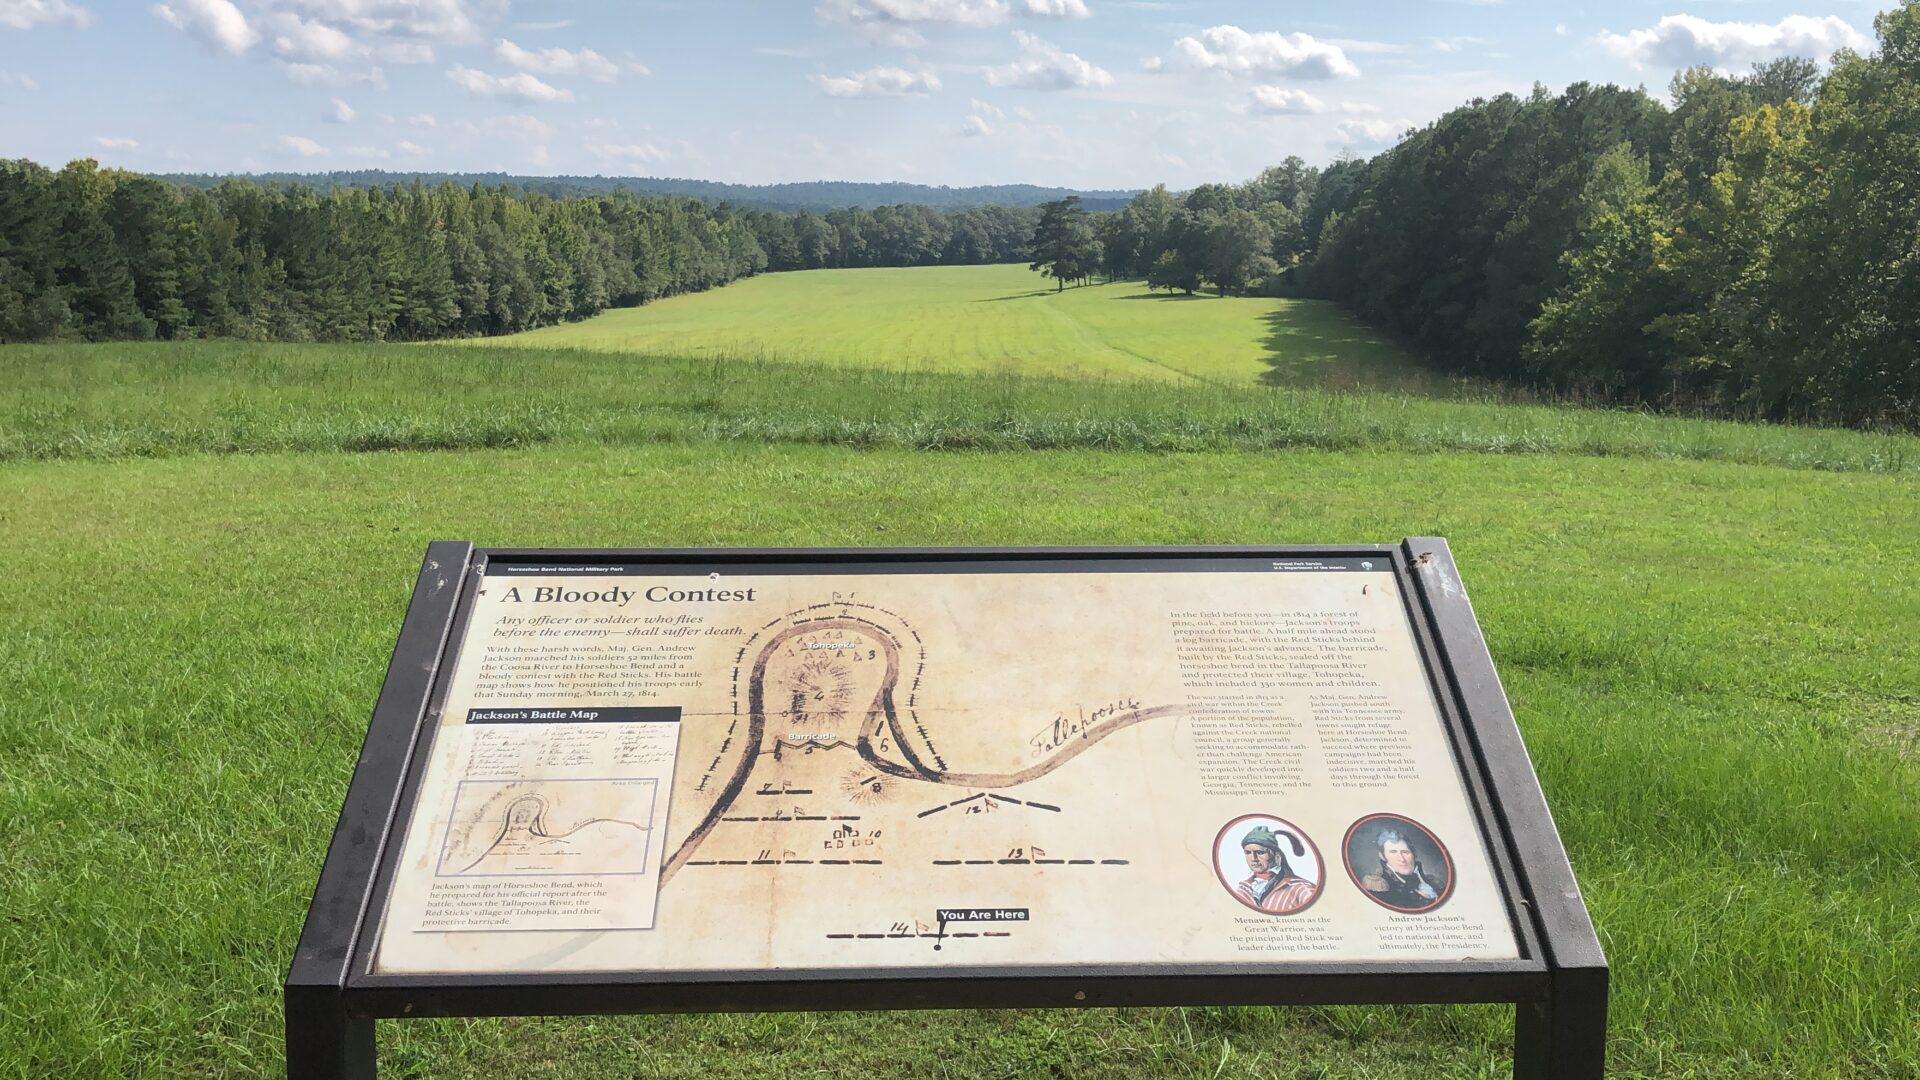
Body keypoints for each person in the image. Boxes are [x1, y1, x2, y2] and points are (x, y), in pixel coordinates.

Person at [1232, 824, 1317, 914]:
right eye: (1248, 852)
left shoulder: (1301, 888)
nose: (1253, 858)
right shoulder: (1244, 888)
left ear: (1277, 856)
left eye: (1260, 852)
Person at [1359, 827, 1444, 910]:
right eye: (1393, 852)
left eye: (1405, 852)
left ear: (1413, 854)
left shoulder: (1434, 883)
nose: (1402, 859)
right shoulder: (1378, 886)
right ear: (1382, 856)